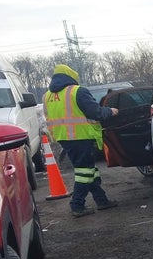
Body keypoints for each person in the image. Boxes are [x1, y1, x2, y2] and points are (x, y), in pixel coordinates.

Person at [43, 64, 119, 217]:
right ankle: (77, 205)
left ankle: (101, 200)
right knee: (85, 172)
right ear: (71, 77)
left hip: (63, 137)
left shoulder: (47, 96)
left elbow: (47, 116)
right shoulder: (77, 91)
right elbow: (95, 112)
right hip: (81, 136)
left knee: (89, 170)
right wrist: (111, 111)